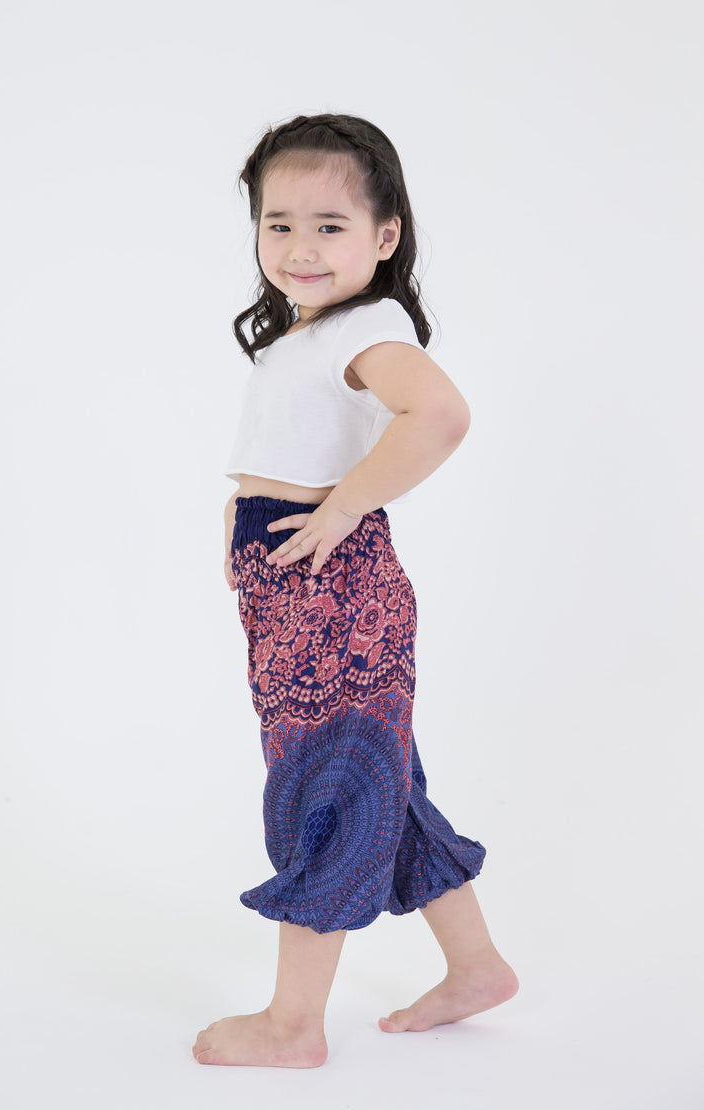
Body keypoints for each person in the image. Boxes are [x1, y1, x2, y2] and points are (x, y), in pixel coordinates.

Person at [194, 113, 518, 1069]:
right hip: (292, 582)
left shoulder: (370, 328)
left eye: (330, 226)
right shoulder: (308, 332)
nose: (300, 247)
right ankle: (477, 968)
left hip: (331, 589)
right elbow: (290, 445)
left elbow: (440, 414)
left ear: (385, 237)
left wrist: (340, 508)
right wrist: (243, 513)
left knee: (325, 788)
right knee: (383, 779)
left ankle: (293, 1025)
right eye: (279, 223)